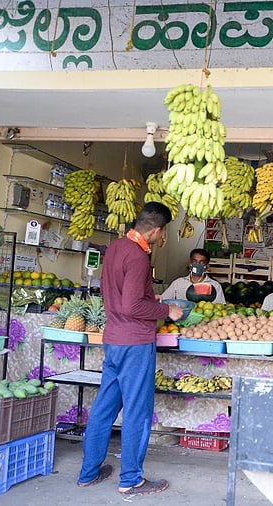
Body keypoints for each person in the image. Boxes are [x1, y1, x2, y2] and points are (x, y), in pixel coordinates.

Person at [77, 202, 183, 498]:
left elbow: (124, 294)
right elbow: (132, 306)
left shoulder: (116, 248)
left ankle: (88, 473)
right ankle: (131, 480)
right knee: (137, 412)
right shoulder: (138, 256)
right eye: (164, 233)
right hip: (134, 343)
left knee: (104, 409)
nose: (162, 238)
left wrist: (150, 297)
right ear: (157, 230)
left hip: (114, 339)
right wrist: (167, 310)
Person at [160, 248, 226, 304]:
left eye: (201, 262)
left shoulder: (215, 286)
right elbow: (163, 300)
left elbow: (220, 306)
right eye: (194, 261)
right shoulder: (178, 283)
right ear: (190, 264)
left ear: (207, 266)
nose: (197, 264)